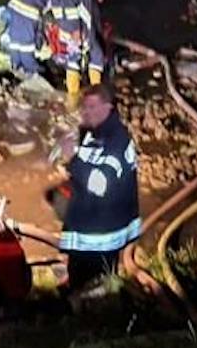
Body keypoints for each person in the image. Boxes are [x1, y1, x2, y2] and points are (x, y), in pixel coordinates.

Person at [55, 84, 140, 290]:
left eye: (92, 107)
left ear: (108, 108)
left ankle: (96, 308)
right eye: (84, 107)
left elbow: (100, 185)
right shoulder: (95, 133)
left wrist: (72, 159)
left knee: (96, 285)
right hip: (90, 223)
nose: (86, 112)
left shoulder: (116, 142)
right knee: (79, 277)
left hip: (101, 234)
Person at [54, 0, 106, 103]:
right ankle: (73, 98)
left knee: (97, 56)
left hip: (88, 31)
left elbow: (86, 1)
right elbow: (69, 9)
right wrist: (74, 31)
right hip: (75, 33)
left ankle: (96, 92)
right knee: (74, 62)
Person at [0, 0, 62, 77]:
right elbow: (56, 10)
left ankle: (15, 64)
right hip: (29, 10)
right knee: (27, 43)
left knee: (15, 39)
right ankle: (31, 69)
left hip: (13, 6)